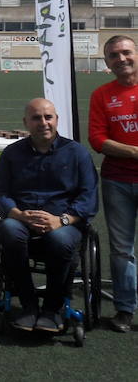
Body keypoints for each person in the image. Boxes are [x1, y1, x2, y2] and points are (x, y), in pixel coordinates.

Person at [0, 98, 98, 332]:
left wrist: (61, 220)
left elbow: (88, 198)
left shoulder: (77, 153)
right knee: (8, 230)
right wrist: (18, 214)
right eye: (36, 118)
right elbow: (0, 192)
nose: (43, 123)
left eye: (48, 117)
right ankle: (28, 305)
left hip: (64, 222)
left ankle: (52, 309)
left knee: (58, 240)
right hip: (22, 220)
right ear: (26, 122)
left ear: (56, 120)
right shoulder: (12, 153)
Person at [89, 34, 138, 333]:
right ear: (107, 62)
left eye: (126, 52)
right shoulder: (102, 95)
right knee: (121, 250)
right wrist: (134, 152)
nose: (121, 59)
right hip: (117, 181)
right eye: (114, 56)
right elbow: (97, 139)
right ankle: (125, 309)